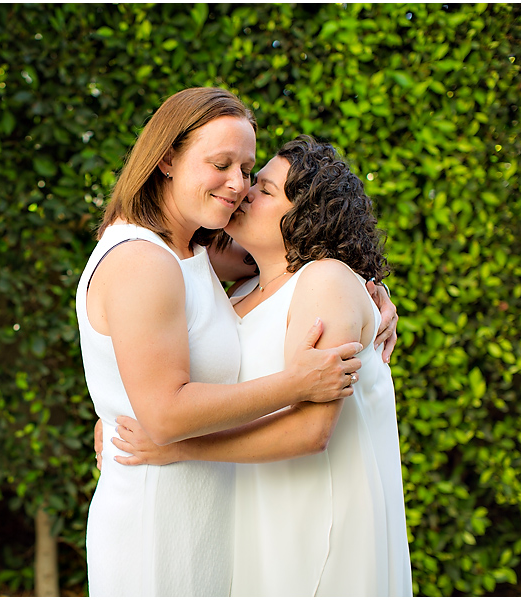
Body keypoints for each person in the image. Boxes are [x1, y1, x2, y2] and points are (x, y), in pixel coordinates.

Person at [76, 87, 370, 597]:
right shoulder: (141, 261)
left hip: (208, 510)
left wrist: (373, 295)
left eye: (247, 169)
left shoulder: (195, 252)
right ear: (166, 158)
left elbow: (304, 262)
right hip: (158, 520)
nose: (237, 184)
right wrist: (294, 383)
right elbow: (165, 415)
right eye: (220, 164)